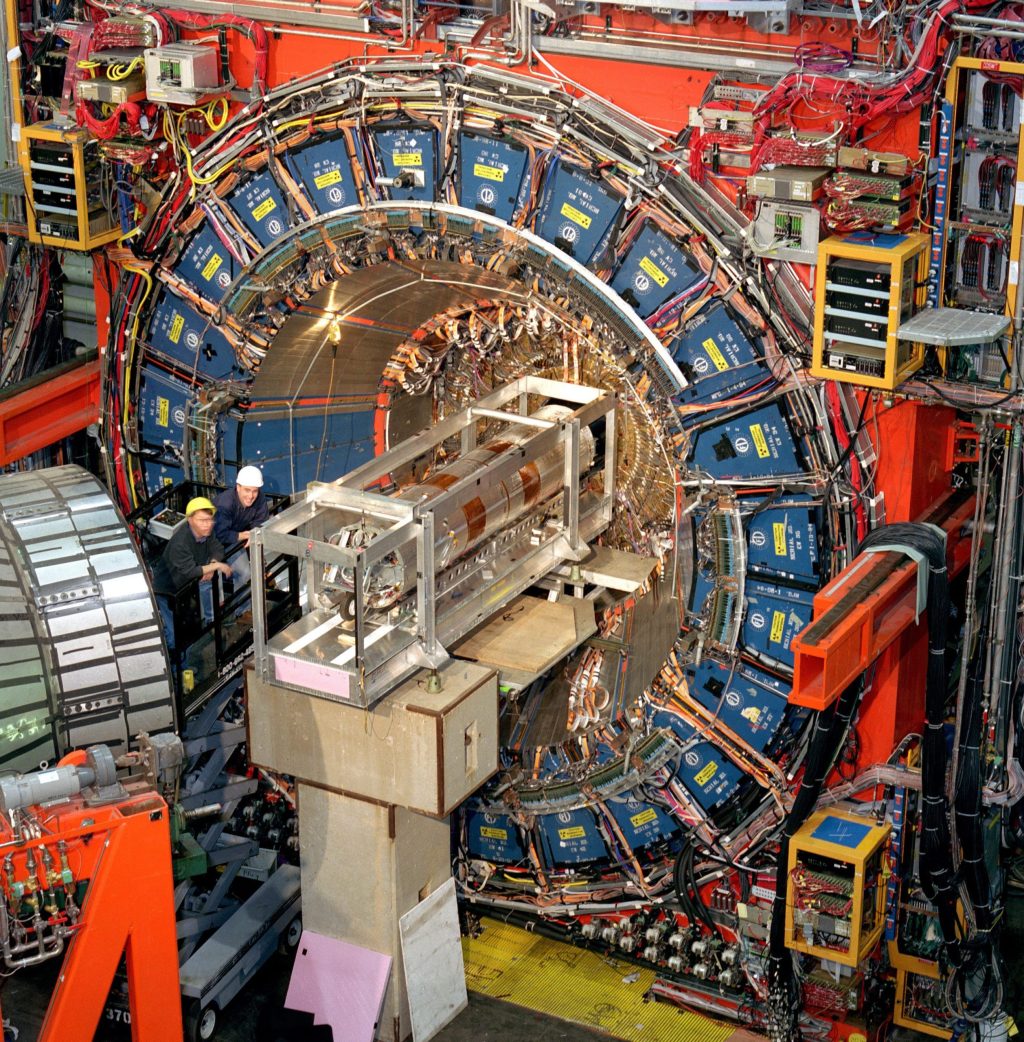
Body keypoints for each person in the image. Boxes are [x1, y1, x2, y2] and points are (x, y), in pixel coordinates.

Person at [151, 497, 232, 652]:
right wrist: (216, 566)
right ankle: (173, 663)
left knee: (187, 632)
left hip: (186, 589)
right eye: (202, 520)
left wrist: (212, 563)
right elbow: (190, 571)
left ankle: (209, 624)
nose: (207, 524)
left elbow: (217, 548)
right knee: (174, 635)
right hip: (168, 592)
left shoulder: (206, 532)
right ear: (190, 520)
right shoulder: (180, 542)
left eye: (209, 520)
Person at [212, 465, 270, 590]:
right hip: (213, 543)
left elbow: (261, 521)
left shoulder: (259, 498)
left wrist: (254, 534)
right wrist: (243, 535)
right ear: (238, 487)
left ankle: (242, 604)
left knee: (245, 574)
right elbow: (220, 534)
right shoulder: (225, 504)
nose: (251, 496)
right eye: (247, 490)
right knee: (211, 582)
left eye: (255, 491)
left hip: (234, 541)